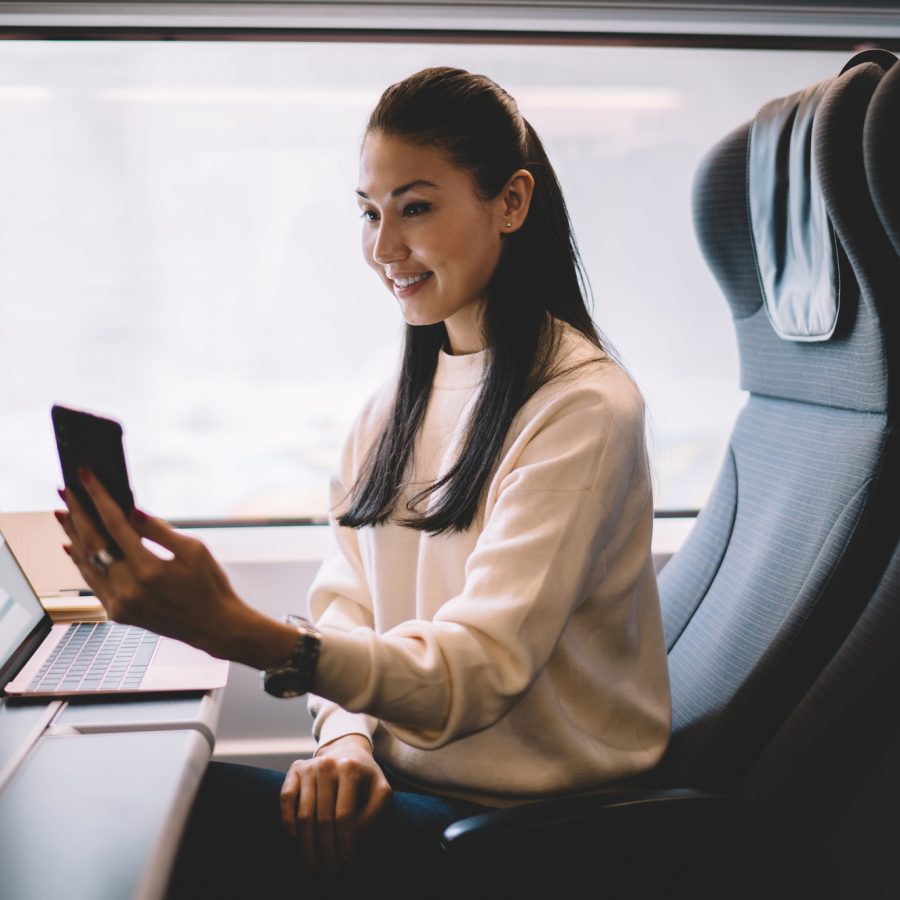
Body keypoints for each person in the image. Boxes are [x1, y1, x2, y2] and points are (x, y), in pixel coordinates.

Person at [56, 66, 671, 898]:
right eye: (369, 213)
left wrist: (240, 632)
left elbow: (476, 672)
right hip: (411, 782)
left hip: (527, 836)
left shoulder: (583, 409)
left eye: (416, 208)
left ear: (511, 203)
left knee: (140, 821)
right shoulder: (392, 401)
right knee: (131, 797)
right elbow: (349, 601)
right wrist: (343, 741)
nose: (384, 249)